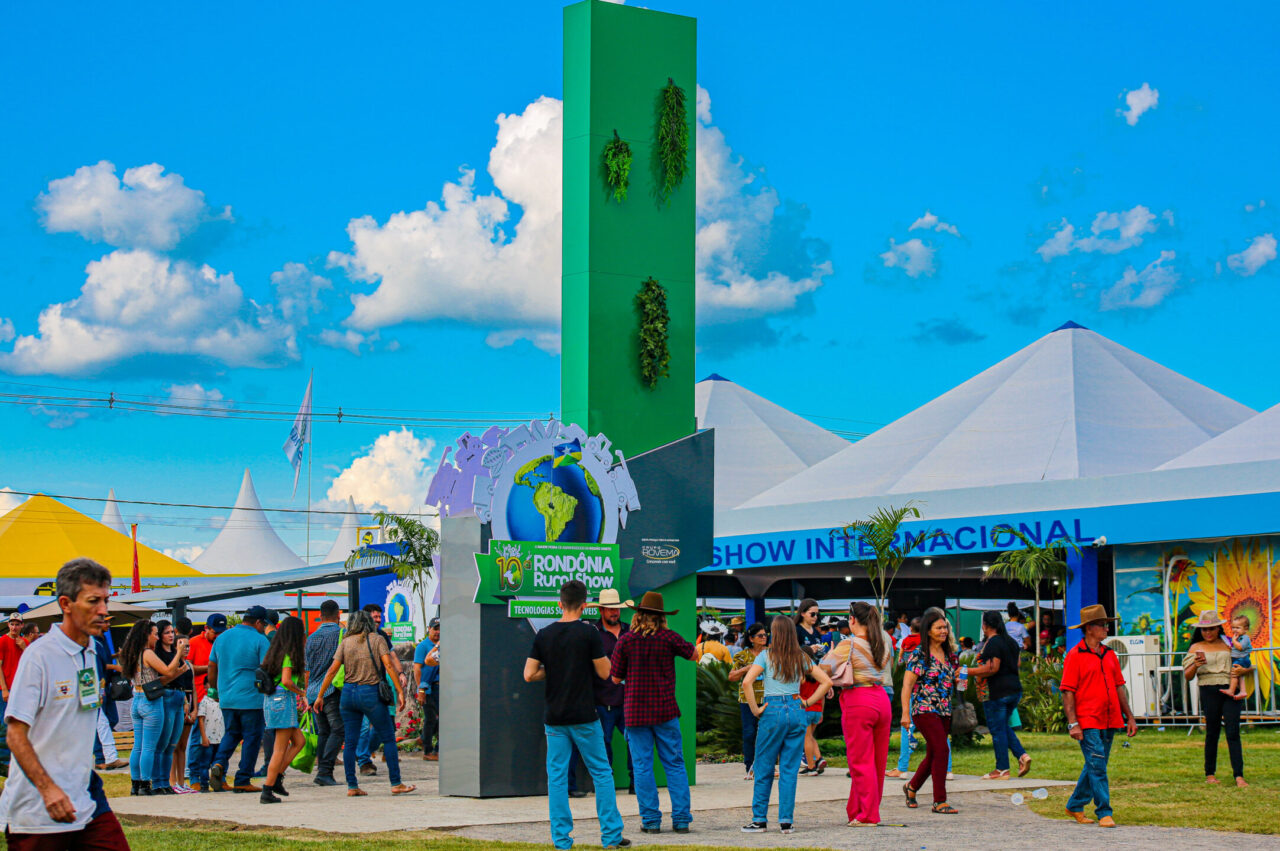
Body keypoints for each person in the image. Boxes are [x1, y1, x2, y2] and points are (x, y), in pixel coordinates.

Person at [0, 559, 131, 849]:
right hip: (38, 808)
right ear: (66, 603)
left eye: (105, 601)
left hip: (87, 798)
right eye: (93, 601)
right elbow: (15, 734)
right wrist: (48, 790)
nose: (103, 611)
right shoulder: (39, 657)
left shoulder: (93, 651)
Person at [524, 581, 629, 850]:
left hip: (555, 718)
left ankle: (561, 841)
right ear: (585, 606)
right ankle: (611, 836)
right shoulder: (589, 633)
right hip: (585, 715)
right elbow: (606, 673)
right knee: (602, 774)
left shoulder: (544, 635)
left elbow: (529, 674)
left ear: (560, 604)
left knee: (557, 779)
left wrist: (553, 669)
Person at [610, 591, 697, 834]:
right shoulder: (669, 637)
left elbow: (615, 678)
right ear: (661, 617)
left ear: (638, 614)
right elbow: (694, 655)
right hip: (665, 710)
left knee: (642, 766)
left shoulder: (626, 641)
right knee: (675, 764)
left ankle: (650, 821)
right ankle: (681, 819)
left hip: (636, 712)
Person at [740, 615, 834, 834]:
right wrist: (808, 702)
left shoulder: (765, 655)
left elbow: (746, 682)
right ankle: (786, 822)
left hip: (772, 711)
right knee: (790, 769)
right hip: (795, 709)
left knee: (764, 766)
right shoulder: (800, 656)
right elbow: (827, 681)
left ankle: (760, 820)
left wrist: (755, 709)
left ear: (774, 633)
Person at [312, 609, 415, 797]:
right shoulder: (377, 640)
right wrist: (400, 691)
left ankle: (352, 786)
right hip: (370, 693)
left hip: (348, 694)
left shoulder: (345, 642)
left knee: (350, 742)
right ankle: (396, 783)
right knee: (388, 737)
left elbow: (332, 670)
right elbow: (388, 665)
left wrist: (320, 696)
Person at [1060, 604, 1139, 828]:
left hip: (1110, 718)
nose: (1106, 629)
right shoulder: (1075, 656)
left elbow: (1119, 687)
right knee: (1097, 764)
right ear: (1089, 629)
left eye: (1107, 625)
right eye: (1102, 625)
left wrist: (1130, 717)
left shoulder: (1109, 654)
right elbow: (1068, 692)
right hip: (1087, 720)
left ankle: (1075, 804)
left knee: (1096, 764)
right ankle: (1104, 811)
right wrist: (1073, 723)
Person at [821, 601, 892, 827]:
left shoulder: (848, 645)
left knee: (860, 761)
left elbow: (824, 669)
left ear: (852, 620)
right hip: (881, 699)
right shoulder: (884, 643)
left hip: (858, 701)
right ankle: (860, 810)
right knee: (877, 762)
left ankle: (868, 815)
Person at [567, 589, 633, 794]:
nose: (615, 613)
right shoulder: (592, 633)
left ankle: (636, 783)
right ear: (602, 610)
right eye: (610, 609)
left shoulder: (630, 631)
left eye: (617, 609)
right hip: (601, 699)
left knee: (635, 743)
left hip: (627, 700)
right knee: (601, 745)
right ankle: (606, 785)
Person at [900, 607, 961, 815]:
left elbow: (950, 680)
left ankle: (912, 787)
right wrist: (905, 714)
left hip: (944, 709)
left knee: (934, 753)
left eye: (945, 627)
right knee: (942, 749)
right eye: (939, 628)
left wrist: (959, 681)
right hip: (924, 709)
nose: (943, 631)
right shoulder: (919, 655)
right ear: (928, 630)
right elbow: (907, 685)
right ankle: (939, 801)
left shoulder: (950, 655)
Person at [119, 619, 188, 796]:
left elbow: (159, 677)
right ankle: (145, 784)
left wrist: (177, 672)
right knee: (149, 747)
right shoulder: (147, 653)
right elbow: (166, 670)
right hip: (151, 702)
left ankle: (136, 784)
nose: (157, 638)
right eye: (155, 634)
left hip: (137, 698)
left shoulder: (132, 653)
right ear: (146, 635)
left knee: (138, 746)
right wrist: (179, 653)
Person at [207, 605, 271, 794]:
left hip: (227, 697)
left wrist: (215, 690)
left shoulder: (222, 638)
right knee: (252, 737)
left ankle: (219, 762)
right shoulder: (260, 640)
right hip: (251, 698)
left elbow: (212, 666)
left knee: (231, 734)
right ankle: (243, 779)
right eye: (263, 624)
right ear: (258, 622)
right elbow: (266, 668)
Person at [1182, 611, 1248, 787]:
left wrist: (1243, 671)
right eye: (1204, 630)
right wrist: (1195, 665)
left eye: (1211, 629)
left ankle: (1239, 775)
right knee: (1212, 731)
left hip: (1230, 688)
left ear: (1218, 627)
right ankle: (1210, 773)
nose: (1208, 633)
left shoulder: (1229, 643)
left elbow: (1245, 662)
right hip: (1208, 689)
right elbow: (1187, 676)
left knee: (1233, 731)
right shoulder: (1195, 647)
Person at [966, 610, 1030, 780]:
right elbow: (1016, 663)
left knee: (997, 729)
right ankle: (1022, 756)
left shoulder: (993, 643)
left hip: (997, 692)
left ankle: (1002, 768)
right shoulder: (1011, 643)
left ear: (985, 625)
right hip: (1014, 690)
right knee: (1002, 726)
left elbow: (991, 668)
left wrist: (967, 671)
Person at [260, 616, 307, 804]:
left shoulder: (275, 652)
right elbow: (287, 681)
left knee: (299, 741)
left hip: (272, 699)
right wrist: (302, 692)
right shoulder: (289, 654)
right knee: (279, 749)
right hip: (283, 699)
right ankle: (268, 788)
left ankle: (277, 778)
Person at [304, 600, 345, 786]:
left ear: (320, 616)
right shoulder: (342, 634)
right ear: (339, 614)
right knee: (338, 729)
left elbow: (307, 670)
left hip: (313, 691)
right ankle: (325, 770)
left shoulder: (311, 638)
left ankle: (322, 768)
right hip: (330, 690)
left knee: (323, 731)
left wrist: (307, 694)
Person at [183, 613, 223, 791]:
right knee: (196, 740)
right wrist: (210, 667)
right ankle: (194, 777)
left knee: (218, 741)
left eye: (220, 632)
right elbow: (187, 667)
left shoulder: (222, 642)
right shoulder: (194, 643)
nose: (217, 636)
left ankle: (217, 777)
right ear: (206, 629)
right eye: (215, 632)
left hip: (219, 700)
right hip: (199, 697)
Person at [149, 620, 189, 795]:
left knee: (173, 743)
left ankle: (166, 782)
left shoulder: (175, 652)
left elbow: (181, 679)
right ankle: (158, 782)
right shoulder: (157, 655)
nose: (171, 635)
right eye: (166, 633)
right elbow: (163, 677)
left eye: (172, 632)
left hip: (179, 697)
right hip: (166, 695)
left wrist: (187, 702)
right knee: (163, 743)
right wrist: (178, 669)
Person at [792, 599, 827, 775]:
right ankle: (814, 759)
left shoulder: (816, 632)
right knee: (806, 730)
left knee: (808, 730)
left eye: (817, 614)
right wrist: (808, 649)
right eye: (812, 613)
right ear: (803, 613)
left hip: (816, 676)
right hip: (804, 676)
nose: (815, 617)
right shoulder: (797, 630)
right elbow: (793, 651)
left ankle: (813, 761)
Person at [728, 623, 767, 779]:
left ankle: (766, 765)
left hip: (768, 698)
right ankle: (750, 765)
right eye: (760, 635)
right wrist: (746, 669)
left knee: (767, 733)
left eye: (765, 635)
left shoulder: (771, 653)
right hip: (747, 700)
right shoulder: (742, 656)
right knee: (750, 733)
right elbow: (731, 676)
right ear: (751, 638)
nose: (764, 638)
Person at [0, 613, 32, 776]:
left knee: (21, 724)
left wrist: (24, 647)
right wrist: (4, 688)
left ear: (21, 626)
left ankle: (17, 757)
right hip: (7, 689)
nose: (14, 627)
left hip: (21, 689)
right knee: (5, 724)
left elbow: (31, 662)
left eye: (17, 624)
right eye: (12, 624)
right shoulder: (2, 641)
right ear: (8, 625)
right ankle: (5, 761)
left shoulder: (24, 642)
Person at [168, 618, 197, 793]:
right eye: (182, 645)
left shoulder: (189, 665)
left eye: (187, 646)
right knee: (174, 745)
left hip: (189, 706)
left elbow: (193, 688)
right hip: (178, 704)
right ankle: (173, 781)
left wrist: (195, 709)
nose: (185, 649)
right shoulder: (174, 664)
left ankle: (181, 780)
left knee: (182, 746)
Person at [413, 618, 441, 761]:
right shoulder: (423, 647)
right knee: (431, 719)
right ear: (429, 629)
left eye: (440, 628)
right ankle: (428, 751)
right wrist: (420, 690)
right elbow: (417, 669)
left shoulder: (442, 645)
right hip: (427, 687)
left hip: (440, 688)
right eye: (435, 628)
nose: (438, 632)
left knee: (442, 720)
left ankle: (427, 741)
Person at [191, 688, 223, 793]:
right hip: (208, 739)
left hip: (219, 739)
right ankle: (204, 784)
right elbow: (201, 719)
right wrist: (203, 737)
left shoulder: (222, 701)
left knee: (218, 764)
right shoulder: (204, 702)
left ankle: (217, 784)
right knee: (204, 763)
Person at [1221, 615, 1254, 700]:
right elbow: (1235, 648)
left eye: (1238, 628)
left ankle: (1231, 690)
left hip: (1242, 659)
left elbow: (1240, 647)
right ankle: (1243, 691)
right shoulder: (1238, 637)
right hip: (1239, 658)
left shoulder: (1245, 638)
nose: (1235, 630)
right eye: (1233, 627)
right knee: (1239, 675)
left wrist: (1234, 641)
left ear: (1246, 629)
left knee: (1234, 674)